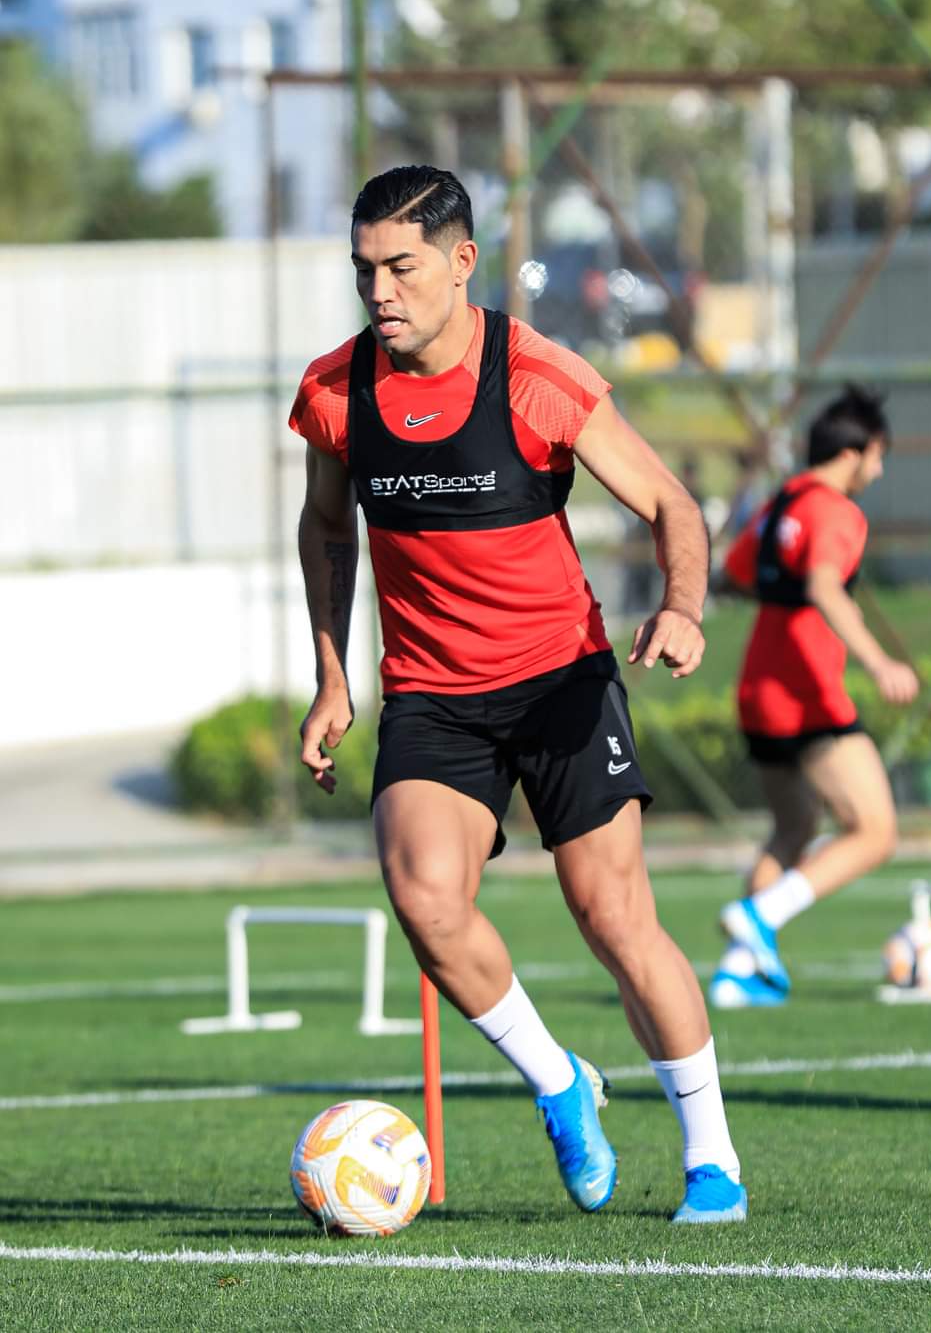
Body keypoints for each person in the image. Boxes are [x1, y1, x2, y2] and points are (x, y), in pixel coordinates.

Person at [289, 165, 745, 1223]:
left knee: (614, 919)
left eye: (402, 267)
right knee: (425, 900)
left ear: (462, 262)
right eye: (364, 269)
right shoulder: (334, 392)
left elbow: (671, 504)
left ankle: (712, 1156)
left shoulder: (537, 376)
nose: (380, 291)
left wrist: (683, 607)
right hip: (432, 696)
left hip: (559, 683)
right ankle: (559, 1081)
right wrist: (331, 676)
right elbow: (327, 526)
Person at [708, 385, 919, 1009]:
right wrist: (879, 662)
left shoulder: (781, 505)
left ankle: (736, 974)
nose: (878, 471)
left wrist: (782, 597)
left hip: (758, 688)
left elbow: (732, 576)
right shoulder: (836, 511)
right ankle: (761, 915)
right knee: (875, 831)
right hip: (806, 694)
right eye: (878, 458)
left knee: (794, 827)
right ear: (855, 452)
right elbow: (826, 587)